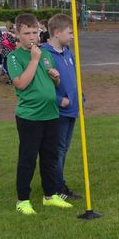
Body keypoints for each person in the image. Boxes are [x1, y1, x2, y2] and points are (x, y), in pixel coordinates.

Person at [8, 13, 73, 215]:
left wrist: (56, 77)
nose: (32, 37)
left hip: (51, 114)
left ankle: (50, 195)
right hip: (30, 116)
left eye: (35, 32)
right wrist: (34, 60)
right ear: (17, 34)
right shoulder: (13, 56)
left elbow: (54, 83)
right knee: (28, 158)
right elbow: (21, 83)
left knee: (50, 157)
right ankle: (23, 200)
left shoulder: (45, 54)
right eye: (27, 33)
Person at [42, 14, 82, 200]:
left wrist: (79, 96)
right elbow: (42, 84)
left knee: (64, 149)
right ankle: (57, 187)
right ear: (57, 33)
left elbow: (73, 78)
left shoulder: (68, 53)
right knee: (57, 150)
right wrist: (59, 100)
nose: (73, 35)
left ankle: (57, 183)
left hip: (72, 109)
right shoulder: (45, 54)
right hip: (58, 111)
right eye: (70, 32)